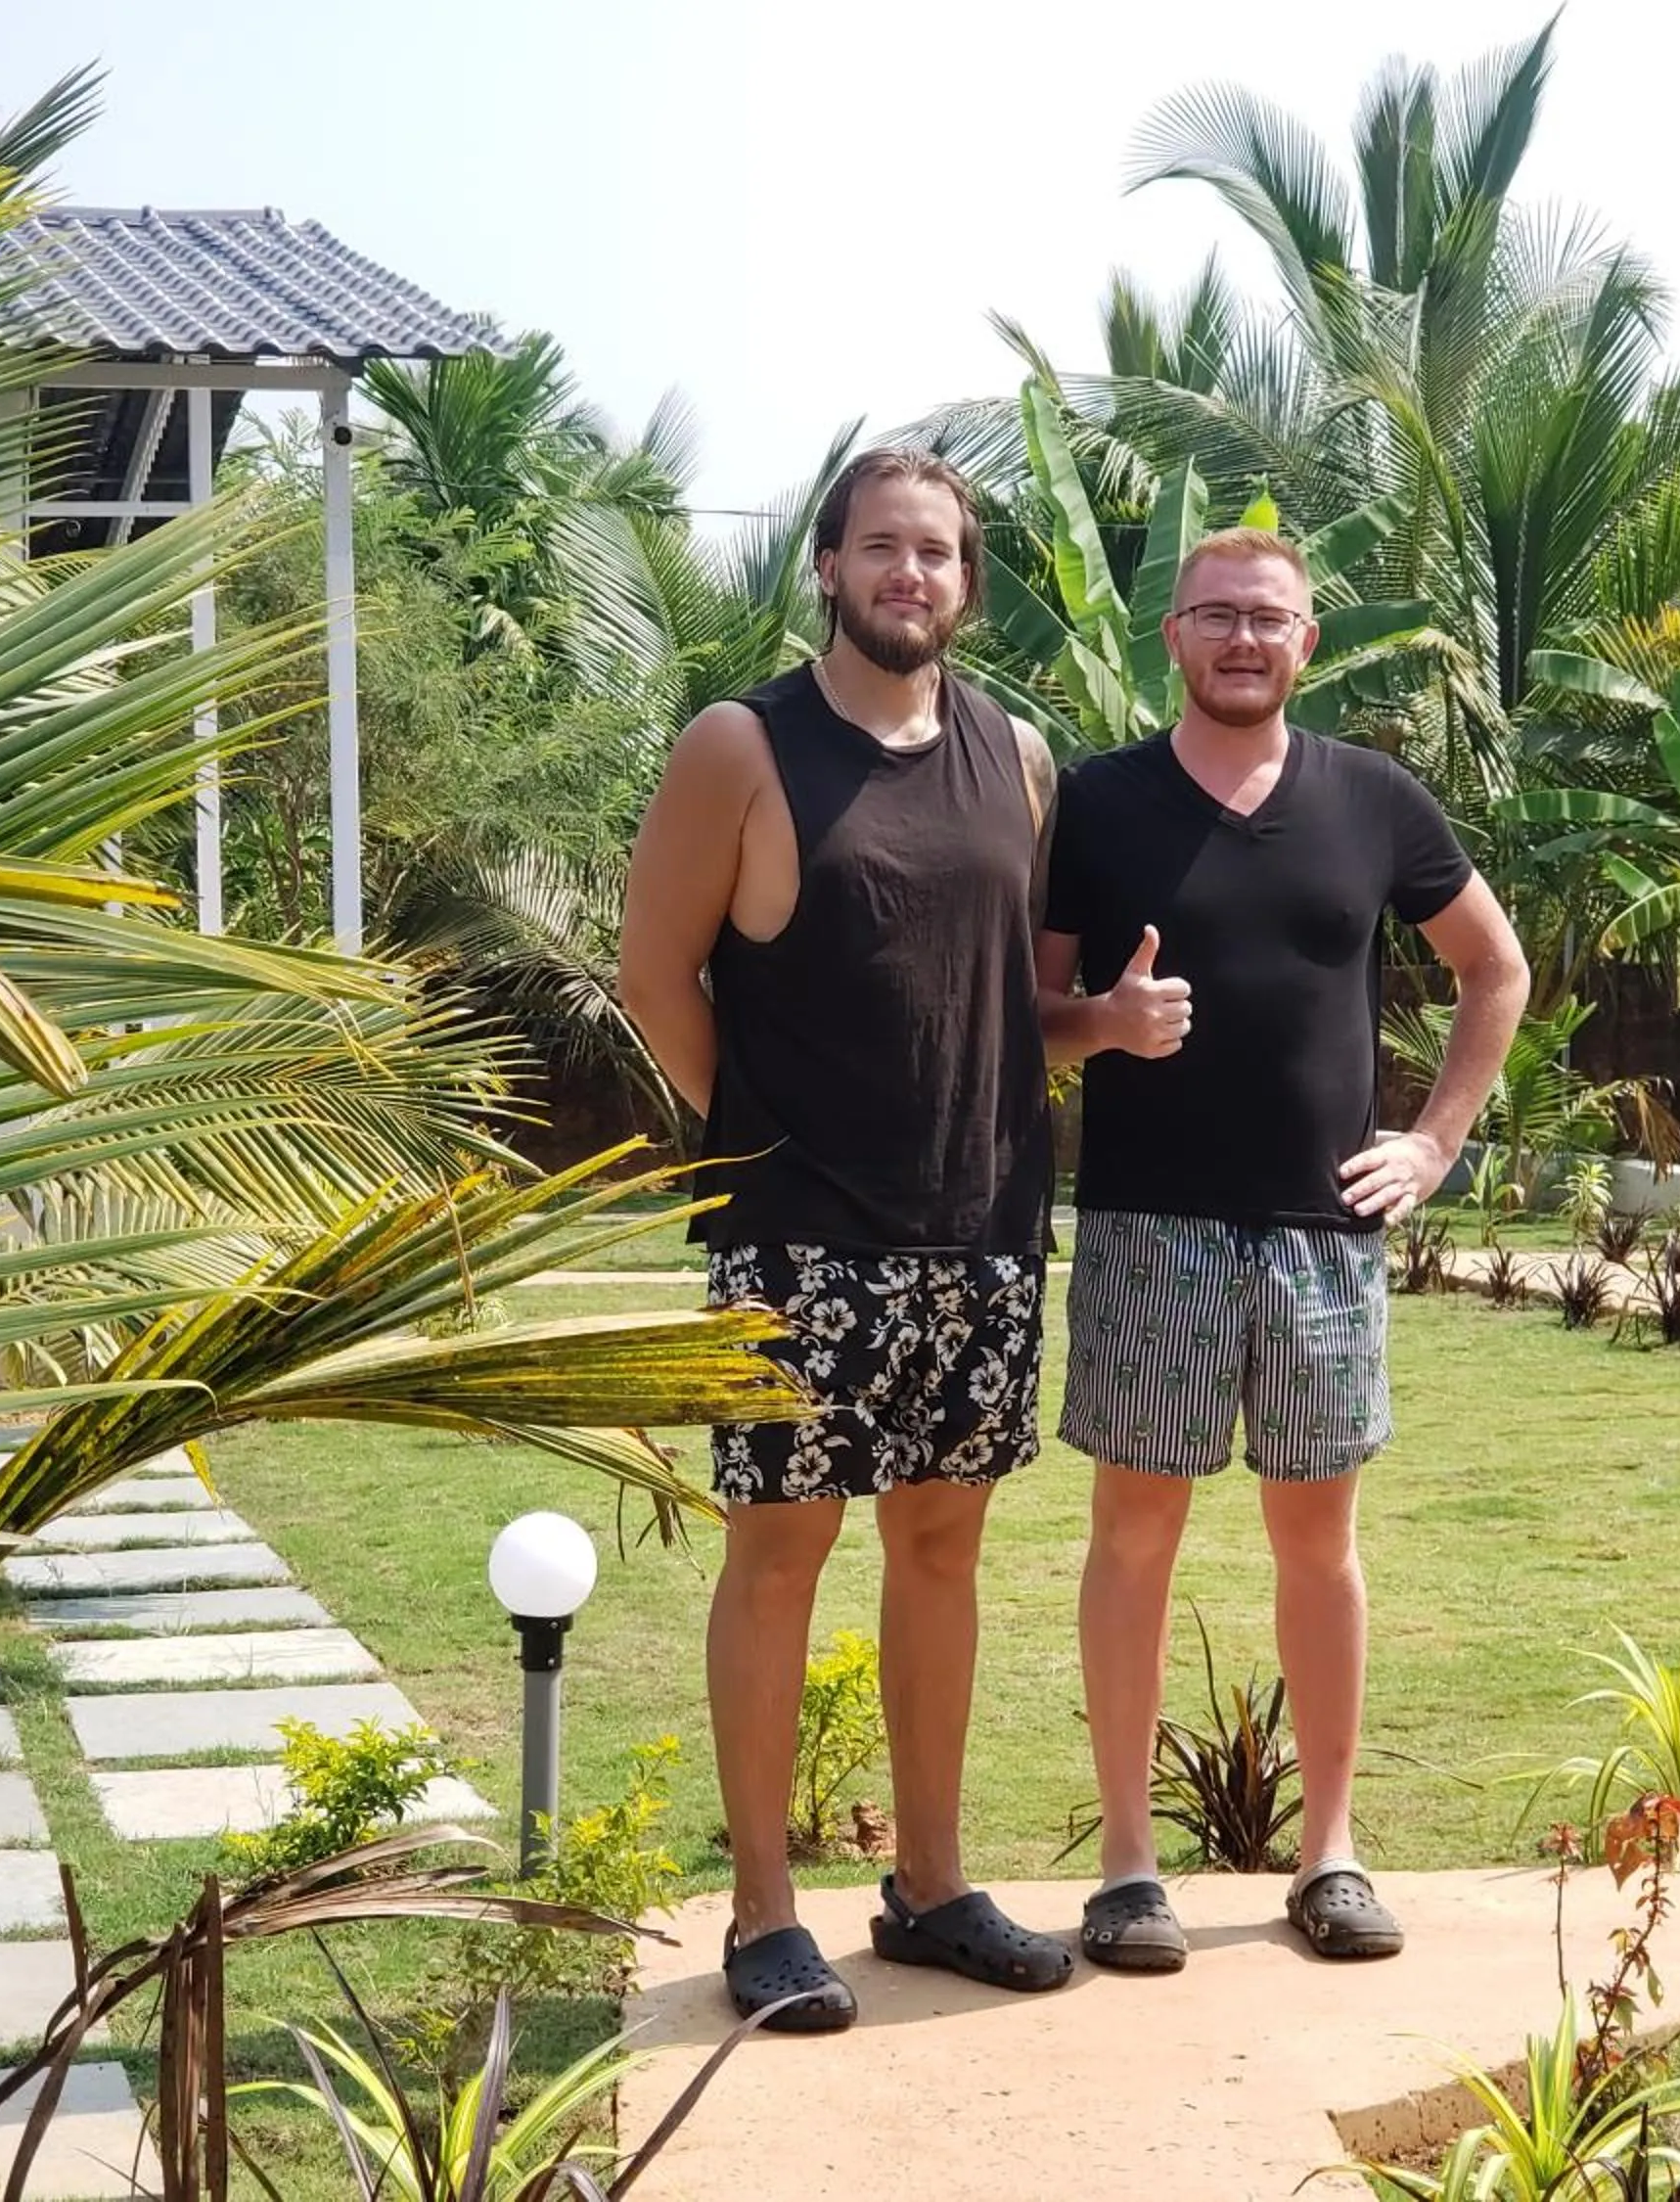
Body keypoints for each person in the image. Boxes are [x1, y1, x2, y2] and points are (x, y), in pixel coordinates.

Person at [617, 447, 1071, 2034]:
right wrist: (754, 1141)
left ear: (969, 582)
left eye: (939, 554)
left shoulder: (1018, 757)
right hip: (797, 1240)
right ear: (827, 567)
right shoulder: (741, 748)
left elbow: (1000, 1000)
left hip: (987, 1232)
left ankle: (933, 1888)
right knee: (780, 1554)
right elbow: (657, 975)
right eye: (882, 548)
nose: (912, 576)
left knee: (944, 1549)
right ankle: (763, 1916)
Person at [1037, 527, 1530, 1972]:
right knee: (1135, 1533)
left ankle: (1332, 1852)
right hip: (1150, 1226)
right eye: (1216, 616)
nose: (1243, 639)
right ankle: (1128, 1867)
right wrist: (1103, 1028)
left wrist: (1435, 1142)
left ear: (1308, 642)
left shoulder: (1373, 799)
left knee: (1321, 1542)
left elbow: (1492, 968)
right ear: (1173, 638)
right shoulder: (1099, 802)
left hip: (1324, 1236)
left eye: (1270, 618)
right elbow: (1030, 1001)